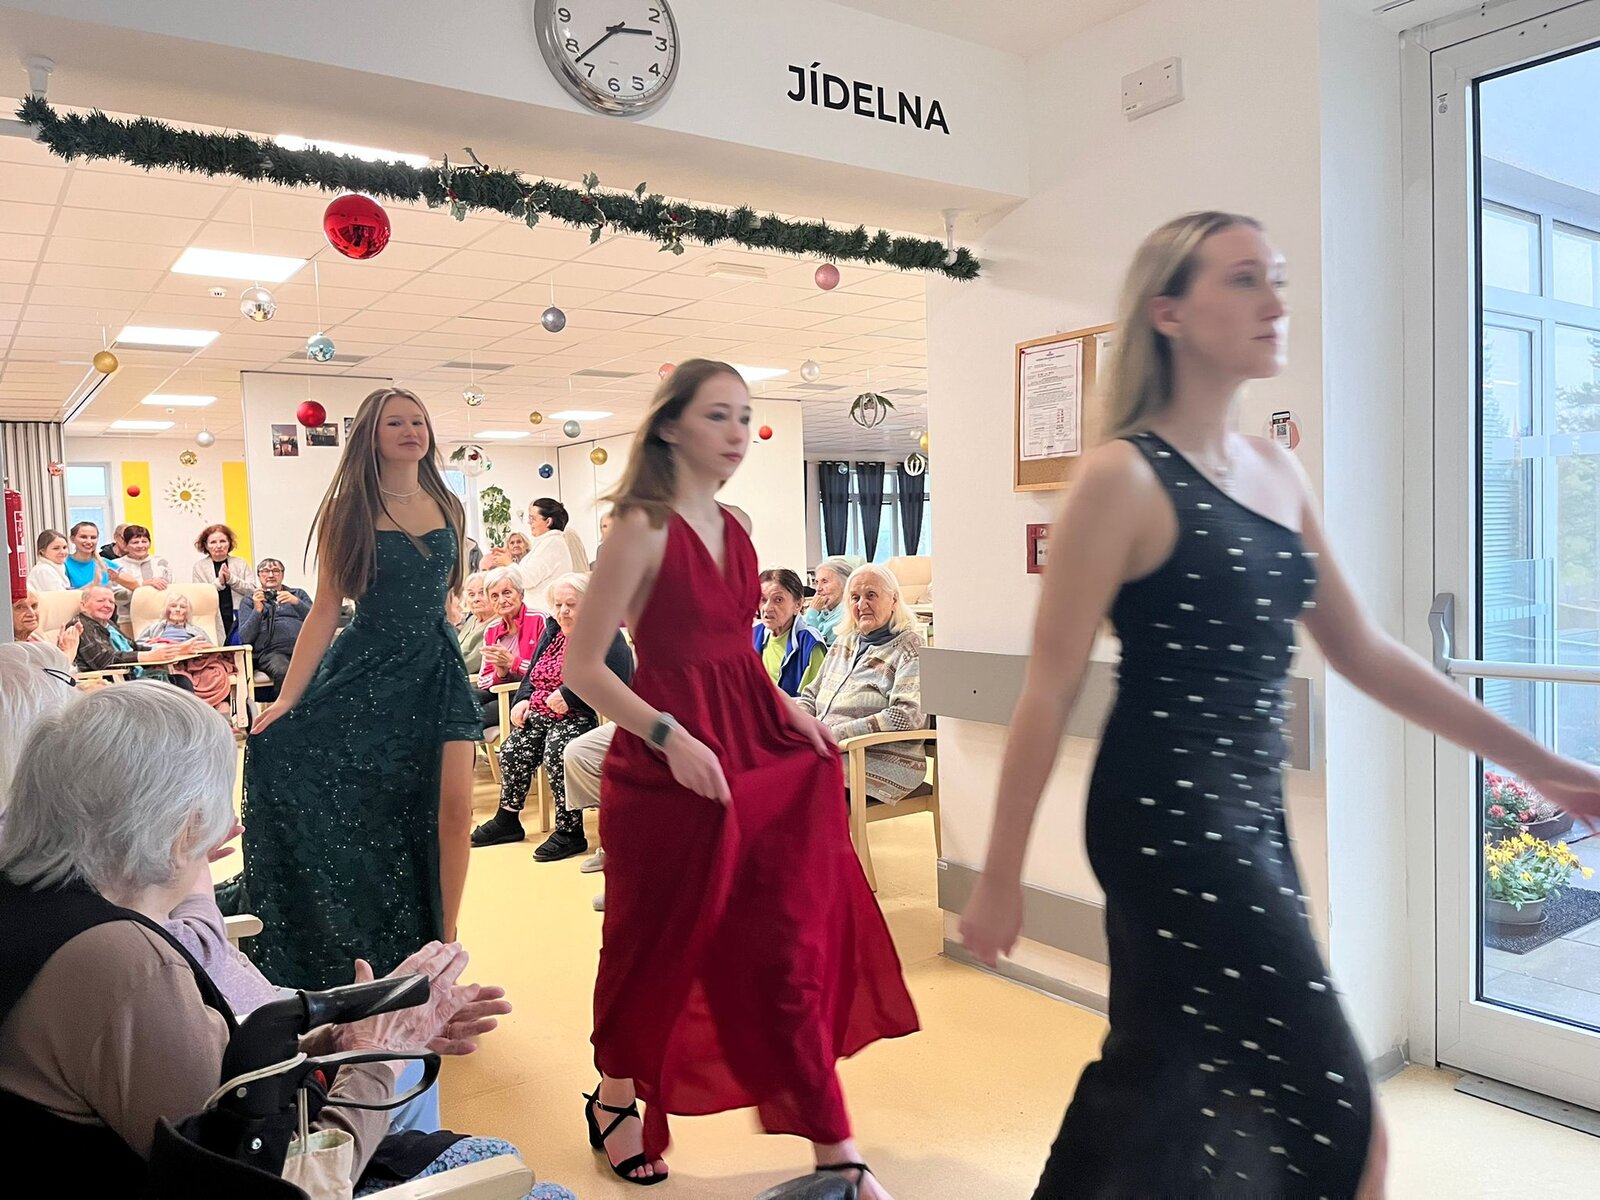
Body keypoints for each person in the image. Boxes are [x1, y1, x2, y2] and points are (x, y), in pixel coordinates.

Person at [957, 212, 1600, 1200]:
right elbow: (1048, 688)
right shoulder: (1118, 477)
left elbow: (1366, 653)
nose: (1275, 301)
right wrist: (999, 877)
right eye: (1244, 279)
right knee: (1343, 1123)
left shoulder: (1275, 470)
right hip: (1167, 819)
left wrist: (1547, 767)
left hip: (1248, 810)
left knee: (1164, 1081)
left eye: (1278, 277)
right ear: (1169, 313)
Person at [564, 358, 917, 1193]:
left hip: (751, 746)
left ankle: (836, 1151)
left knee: (782, 945)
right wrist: (669, 737)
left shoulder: (738, 528)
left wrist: (791, 711)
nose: (736, 433)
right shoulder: (640, 527)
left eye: (742, 416)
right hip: (666, 767)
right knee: (650, 950)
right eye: (716, 415)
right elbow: (585, 666)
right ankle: (614, 1097)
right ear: (670, 427)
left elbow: (733, 656)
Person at [0, 681, 521, 1190]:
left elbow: (213, 1088)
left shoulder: (29, 902)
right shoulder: (125, 964)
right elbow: (278, 1186)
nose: (231, 823)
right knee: (510, 1168)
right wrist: (379, 1053)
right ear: (185, 829)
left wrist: (341, 1040)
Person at [244, 386, 484, 990]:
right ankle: (362, 940)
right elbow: (327, 608)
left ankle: (443, 946)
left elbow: (446, 596)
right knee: (377, 808)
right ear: (371, 436)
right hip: (368, 669)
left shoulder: (449, 503)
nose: (411, 431)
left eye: (418, 421)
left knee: (455, 809)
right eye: (395, 422)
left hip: (437, 669)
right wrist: (288, 699)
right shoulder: (347, 510)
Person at [471, 573, 633, 858]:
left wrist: (570, 695)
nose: (563, 611)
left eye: (571, 604)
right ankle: (507, 820)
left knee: (557, 751)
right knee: (512, 750)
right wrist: (522, 700)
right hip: (540, 712)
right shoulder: (553, 630)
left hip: (580, 713)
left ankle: (570, 832)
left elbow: (618, 678)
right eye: (558, 605)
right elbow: (532, 673)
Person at [798, 564, 925, 805]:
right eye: (855, 597)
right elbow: (810, 695)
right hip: (825, 749)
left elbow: (908, 715)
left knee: (784, 783)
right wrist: (800, 728)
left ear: (893, 600)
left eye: (871, 595)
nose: (861, 604)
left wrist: (834, 735)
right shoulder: (843, 643)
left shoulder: (910, 648)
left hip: (874, 761)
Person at [70, 584, 191, 684]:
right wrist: (145, 657)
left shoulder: (108, 624)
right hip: (112, 682)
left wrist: (175, 650)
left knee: (181, 681)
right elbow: (102, 659)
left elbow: (133, 646)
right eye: (100, 601)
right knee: (179, 685)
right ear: (83, 606)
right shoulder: (79, 626)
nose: (107, 605)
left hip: (132, 677)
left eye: (111, 602)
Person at [478, 567, 546, 729]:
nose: (501, 600)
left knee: (472, 716)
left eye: (507, 593)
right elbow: (483, 680)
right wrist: (501, 673)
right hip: (499, 690)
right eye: (495, 596)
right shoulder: (491, 630)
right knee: (457, 701)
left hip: (529, 693)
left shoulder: (540, 619)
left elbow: (546, 670)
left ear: (521, 593)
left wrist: (513, 663)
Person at [236, 557, 313, 696]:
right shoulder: (249, 600)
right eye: (265, 571)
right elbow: (245, 637)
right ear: (259, 575)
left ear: (282, 574)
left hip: (304, 650)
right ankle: (288, 710)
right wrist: (257, 610)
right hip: (272, 653)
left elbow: (317, 621)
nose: (271, 575)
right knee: (284, 672)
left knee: (325, 669)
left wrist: (297, 603)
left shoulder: (298, 594)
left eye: (276, 571)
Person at [753, 568, 825, 697]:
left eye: (778, 600)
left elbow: (812, 700)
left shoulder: (810, 643)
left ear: (798, 604)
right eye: (763, 599)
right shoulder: (753, 635)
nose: (767, 608)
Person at [191, 523, 254, 639]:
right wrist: (218, 583)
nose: (219, 546)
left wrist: (231, 579)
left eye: (223, 541)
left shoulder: (240, 563)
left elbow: (252, 591)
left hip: (239, 616)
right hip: (212, 618)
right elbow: (199, 596)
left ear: (229, 543)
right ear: (206, 545)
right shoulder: (199, 567)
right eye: (213, 542)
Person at [518, 497, 579, 607]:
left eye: (532, 519)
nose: (529, 522)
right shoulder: (547, 542)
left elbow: (528, 578)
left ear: (548, 521)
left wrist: (507, 562)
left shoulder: (552, 543)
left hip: (544, 611)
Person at [111, 524, 173, 629]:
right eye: (135, 542)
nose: (140, 546)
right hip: (128, 619)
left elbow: (170, 590)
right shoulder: (116, 565)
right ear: (125, 544)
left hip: (160, 619)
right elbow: (116, 596)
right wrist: (142, 586)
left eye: (144, 541)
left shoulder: (161, 562)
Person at [10, 591, 81, 660]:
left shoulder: (34, 638)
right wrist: (69, 651)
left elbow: (52, 665)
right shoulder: (10, 649)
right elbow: (55, 669)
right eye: (20, 607)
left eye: (34, 606)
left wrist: (61, 650)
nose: (32, 613)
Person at [802, 555, 853, 647]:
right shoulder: (825, 611)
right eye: (816, 582)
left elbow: (808, 643)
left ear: (844, 584)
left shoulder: (846, 615)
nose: (818, 589)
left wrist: (812, 611)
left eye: (825, 581)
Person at [64, 521, 128, 591]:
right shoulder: (64, 564)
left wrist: (118, 578)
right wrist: (94, 583)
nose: (89, 541)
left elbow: (133, 586)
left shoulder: (106, 564)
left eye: (93, 537)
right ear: (72, 539)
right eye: (83, 537)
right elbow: (65, 595)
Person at [454, 571, 493, 678]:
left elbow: (473, 663)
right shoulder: (472, 620)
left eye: (482, 593)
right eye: (471, 594)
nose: (476, 599)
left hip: (470, 681)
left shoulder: (496, 624)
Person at [136, 593, 213, 644]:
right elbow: (138, 646)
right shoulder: (154, 628)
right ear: (166, 609)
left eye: (182, 607)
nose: (178, 609)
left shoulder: (197, 631)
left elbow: (210, 649)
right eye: (173, 606)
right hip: (164, 658)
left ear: (187, 611)